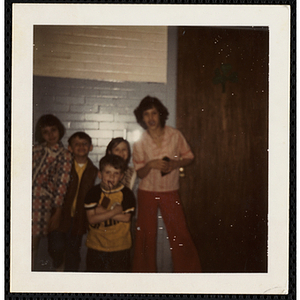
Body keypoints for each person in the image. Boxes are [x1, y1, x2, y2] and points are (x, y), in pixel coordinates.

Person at [132, 96, 201, 273]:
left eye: (154, 113)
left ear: (160, 114)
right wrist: (150, 165)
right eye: (146, 114)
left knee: (180, 233)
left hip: (170, 191)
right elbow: (139, 173)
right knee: (145, 236)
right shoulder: (139, 142)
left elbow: (189, 157)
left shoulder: (174, 135)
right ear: (142, 118)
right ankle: (144, 278)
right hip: (146, 192)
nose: (151, 118)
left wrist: (174, 164)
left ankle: (189, 275)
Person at [48, 132, 98, 271]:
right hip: (60, 215)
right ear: (69, 148)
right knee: (55, 247)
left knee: (73, 252)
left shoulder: (94, 171)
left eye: (85, 144)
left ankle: (70, 281)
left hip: (79, 219)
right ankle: (59, 264)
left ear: (91, 147)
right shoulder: (63, 167)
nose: (81, 146)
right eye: (77, 144)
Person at [32, 114, 72, 270]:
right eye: (45, 132)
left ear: (59, 130)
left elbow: (62, 186)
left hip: (44, 205)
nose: (50, 135)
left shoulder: (64, 155)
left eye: (53, 130)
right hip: (27, 201)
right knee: (28, 246)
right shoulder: (35, 150)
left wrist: (57, 212)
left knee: (53, 249)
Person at [84, 154, 136, 272]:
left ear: (121, 176)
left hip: (120, 246)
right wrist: (116, 211)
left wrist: (101, 211)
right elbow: (91, 219)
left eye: (116, 173)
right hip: (96, 245)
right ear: (100, 174)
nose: (111, 177)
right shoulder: (93, 192)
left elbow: (126, 218)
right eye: (108, 172)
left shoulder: (127, 193)